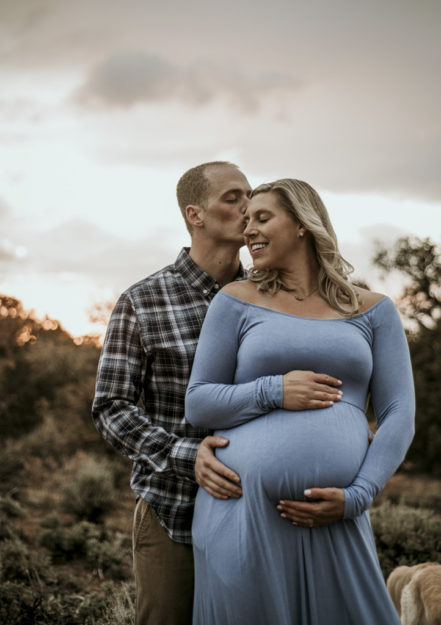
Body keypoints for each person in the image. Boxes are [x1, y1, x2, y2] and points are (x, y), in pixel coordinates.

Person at [92, 163, 344, 625]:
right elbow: (111, 407)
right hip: (175, 513)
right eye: (233, 197)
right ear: (195, 214)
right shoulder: (143, 300)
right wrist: (188, 456)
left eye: (251, 195)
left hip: (269, 515)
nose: (249, 207)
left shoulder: (275, 295)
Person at [185, 178, 415, 625]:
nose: (248, 229)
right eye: (246, 219)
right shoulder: (235, 301)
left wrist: (357, 497)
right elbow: (200, 402)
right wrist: (273, 391)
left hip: (338, 517)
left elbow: (399, 413)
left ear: (303, 225)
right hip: (242, 514)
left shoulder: (374, 310)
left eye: (262, 218)